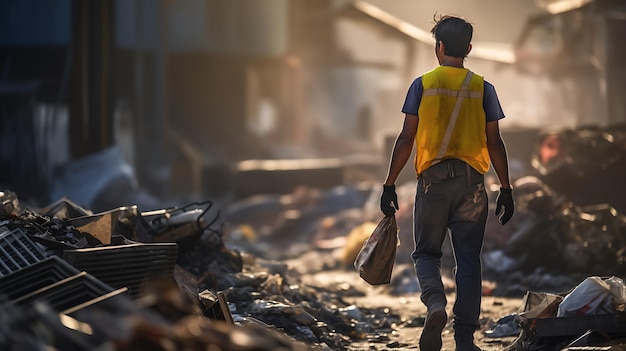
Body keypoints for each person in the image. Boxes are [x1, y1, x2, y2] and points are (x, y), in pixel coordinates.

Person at [379, 14, 514, 351]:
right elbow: (495, 143)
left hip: (433, 183)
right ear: (468, 48)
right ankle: (465, 339)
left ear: (438, 47)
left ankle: (436, 304)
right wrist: (507, 189)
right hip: (472, 185)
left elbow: (406, 138)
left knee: (426, 253)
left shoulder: (422, 84)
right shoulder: (484, 87)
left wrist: (389, 183)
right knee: (468, 260)